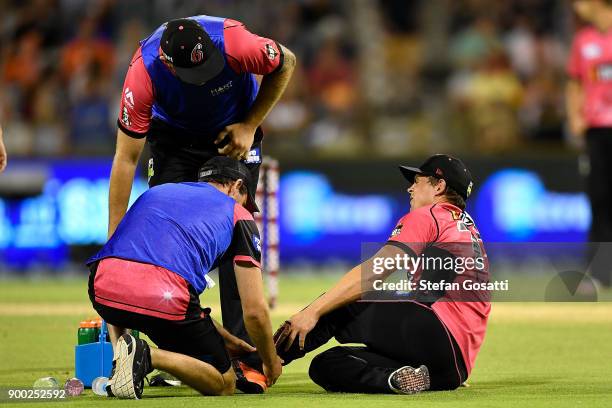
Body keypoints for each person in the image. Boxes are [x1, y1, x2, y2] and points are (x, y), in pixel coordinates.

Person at [107, 15, 296, 386]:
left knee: (234, 234)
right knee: (165, 243)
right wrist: (114, 236)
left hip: (233, 134)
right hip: (173, 141)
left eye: (208, 67)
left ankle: (247, 358)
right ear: (167, 63)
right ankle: (177, 353)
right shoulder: (143, 73)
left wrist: (250, 124)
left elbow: (285, 61)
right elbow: (125, 158)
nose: (207, 77)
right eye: (196, 74)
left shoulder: (235, 42)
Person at [274, 154, 490, 394]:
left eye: (418, 181)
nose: (410, 188)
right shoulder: (468, 229)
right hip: (452, 367)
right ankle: (398, 379)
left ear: (439, 186)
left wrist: (313, 311)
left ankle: (261, 361)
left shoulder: (429, 215)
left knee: (341, 303)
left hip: (437, 333)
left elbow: (375, 272)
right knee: (327, 364)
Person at [87, 157, 282, 399]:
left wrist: (225, 339)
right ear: (236, 186)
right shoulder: (239, 214)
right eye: (245, 198)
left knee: (126, 279)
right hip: (164, 301)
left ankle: (121, 357)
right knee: (224, 382)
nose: (245, 206)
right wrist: (270, 360)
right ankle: (148, 356)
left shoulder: (157, 193)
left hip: (101, 289)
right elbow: (254, 311)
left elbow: (125, 259)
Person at [567, 0, 612, 287]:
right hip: (597, 131)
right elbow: (574, 82)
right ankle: (600, 273)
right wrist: (574, 115)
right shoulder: (583, 41)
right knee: (599, 199)